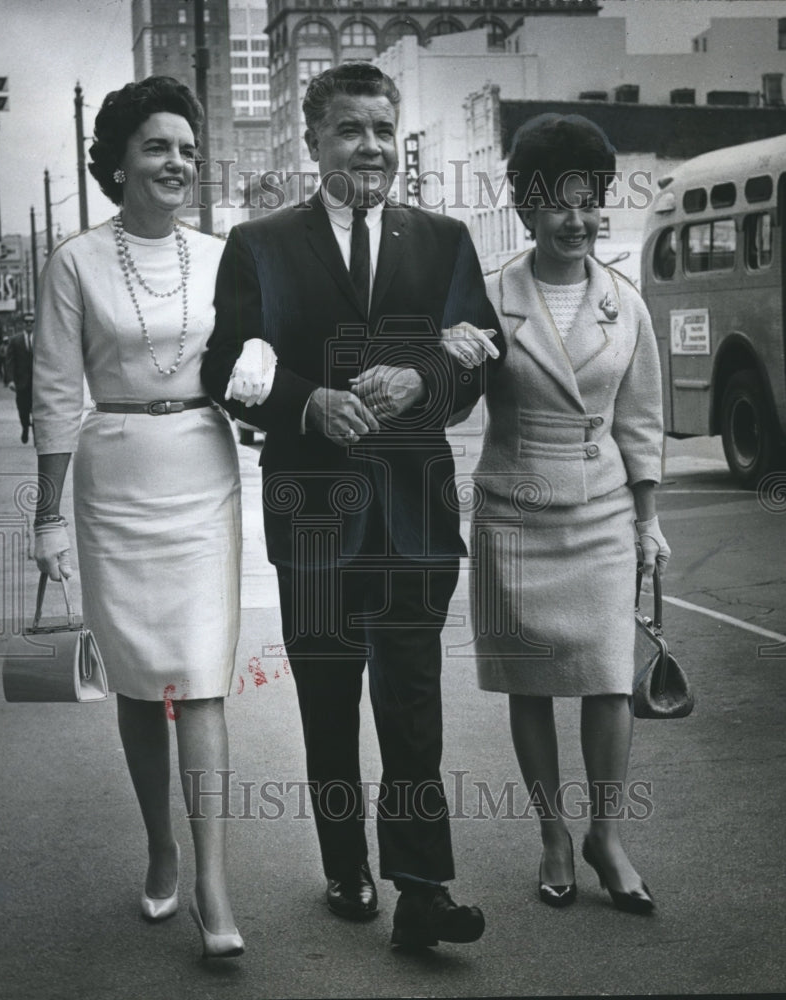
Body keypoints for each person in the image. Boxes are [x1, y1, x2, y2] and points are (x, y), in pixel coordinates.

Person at [202, 62, 501, 949]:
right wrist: (307, 404)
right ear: (313, 141)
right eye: (349, 129)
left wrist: (421, 378)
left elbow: (479, 361)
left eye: (382, 129)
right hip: (314, 514)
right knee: (329, 701)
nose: (369, 146)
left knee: (411, 704)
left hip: (414, 516)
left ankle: (423, 889)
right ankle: (345, 864)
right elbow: (225, 367)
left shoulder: (443, 241)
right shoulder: (259, 245)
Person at [31, 76, 255, 959]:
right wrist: (46, 520)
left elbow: (251, 351)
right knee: (136, 680)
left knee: (200, 675)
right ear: (118, 161)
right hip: (114, 476)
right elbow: (56, 395)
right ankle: (160, 846)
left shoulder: (223, 254)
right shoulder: (75, 262)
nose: (177, 163)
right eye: (158, 146)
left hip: (201, 466)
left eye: (188, 150)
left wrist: (261, 365)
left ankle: (212, 882)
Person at [442, 113, 670, 915]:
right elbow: (454, 402)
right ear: (527, 208)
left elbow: (640, 422)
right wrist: (450, 355)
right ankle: (552, 835)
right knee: (529, 683)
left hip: (602, 514)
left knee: (609, 679)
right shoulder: (488, 297)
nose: (576, 219)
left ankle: (607, 835)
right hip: (514, 513)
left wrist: (648, 521)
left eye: (589, 201)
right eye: (557, 203)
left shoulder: (625, 303)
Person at [6, 313, 35, 443]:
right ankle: (25, 427)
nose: (29, 324)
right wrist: (10, 380)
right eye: (26, 322)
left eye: (31, 322)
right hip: (21, 382)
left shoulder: (40, 339)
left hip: (37, 383)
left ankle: (36, 432)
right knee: (23, 409)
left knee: (37, 410)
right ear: (23, 324)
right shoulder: (15, 340)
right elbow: (10, 362)